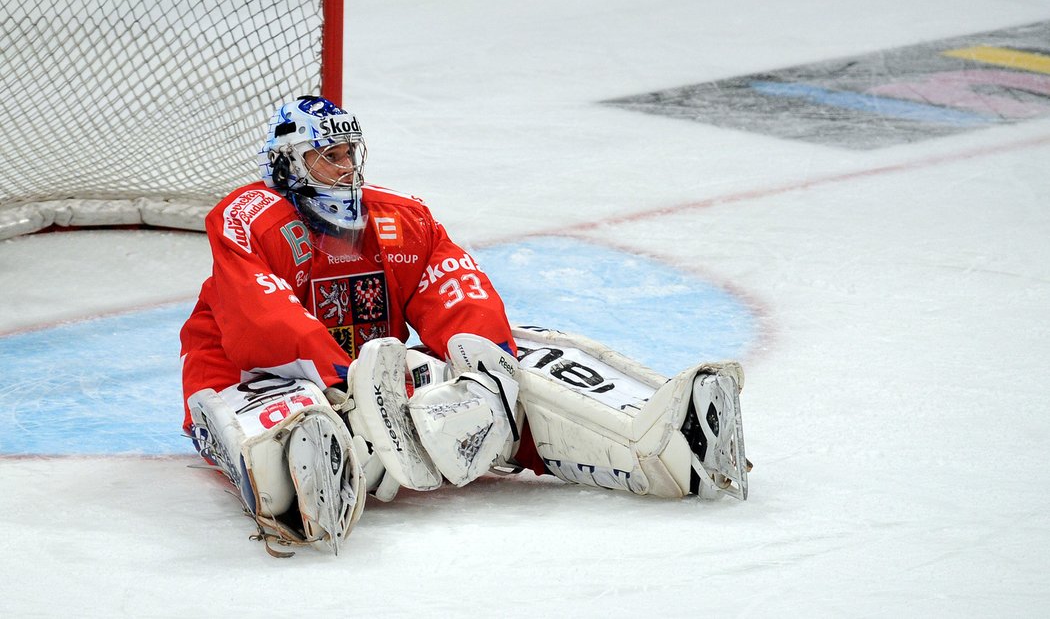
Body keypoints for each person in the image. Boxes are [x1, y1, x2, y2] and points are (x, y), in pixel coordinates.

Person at [181, 95, 750, 557]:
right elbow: (262, 323)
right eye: (329, 155)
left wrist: (487, 363)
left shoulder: (401, 219)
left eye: (351, 152)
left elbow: (455, 285)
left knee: (518, 366)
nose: (347, 167)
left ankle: (665, 447)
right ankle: (308, 481)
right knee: (287, 415)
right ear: (289, 162)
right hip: (247, 370)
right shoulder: (248, 217)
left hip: (373, 379)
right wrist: (341, 383)